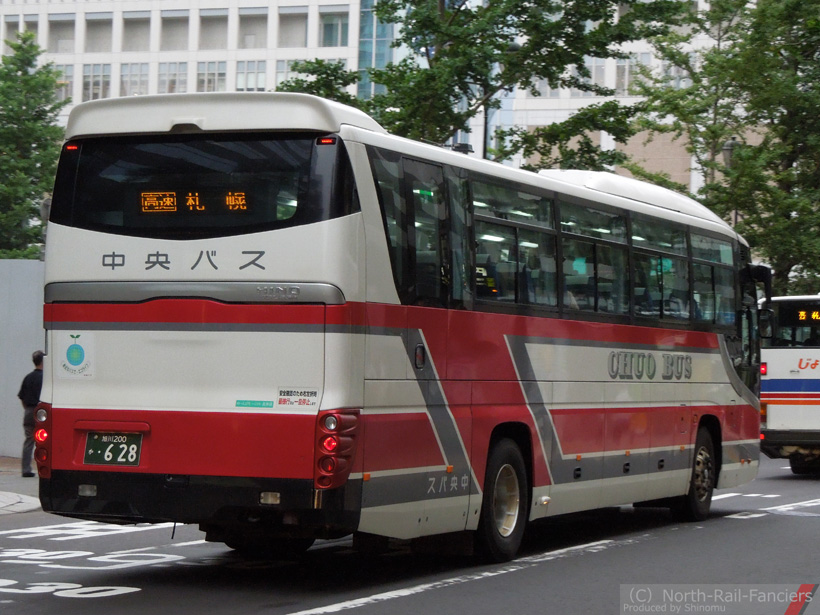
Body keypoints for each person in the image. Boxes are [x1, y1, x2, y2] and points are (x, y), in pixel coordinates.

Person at [17, 350, 44, 478]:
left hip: (28, 411)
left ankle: (26, 469)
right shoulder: (44, 378)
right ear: (43, 361)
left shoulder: (28, 377)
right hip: (42, 413)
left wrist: (28, 409)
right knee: (47, 440)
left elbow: (21, 397)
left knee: (29, 440)